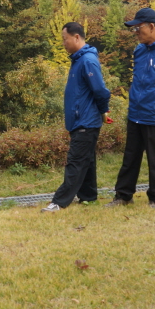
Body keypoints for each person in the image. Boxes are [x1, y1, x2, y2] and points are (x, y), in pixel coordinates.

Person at [107, 8, 155, 208]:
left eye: (138, 28)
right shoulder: (139, 50)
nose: (136, 33)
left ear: (152, 27)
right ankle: (123, 195)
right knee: (130, 157)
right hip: (136, 114)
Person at [42, 22, 111, 212]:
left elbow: (100, 90)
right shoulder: (78, 60)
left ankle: (59, 202)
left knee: (75, 162)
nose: (64, 43)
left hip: (86, 121)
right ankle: (88, 196)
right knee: (86, 160)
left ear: (77, 37)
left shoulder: (87, 60)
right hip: (80, 121)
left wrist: (104, 110)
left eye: (65, 39)